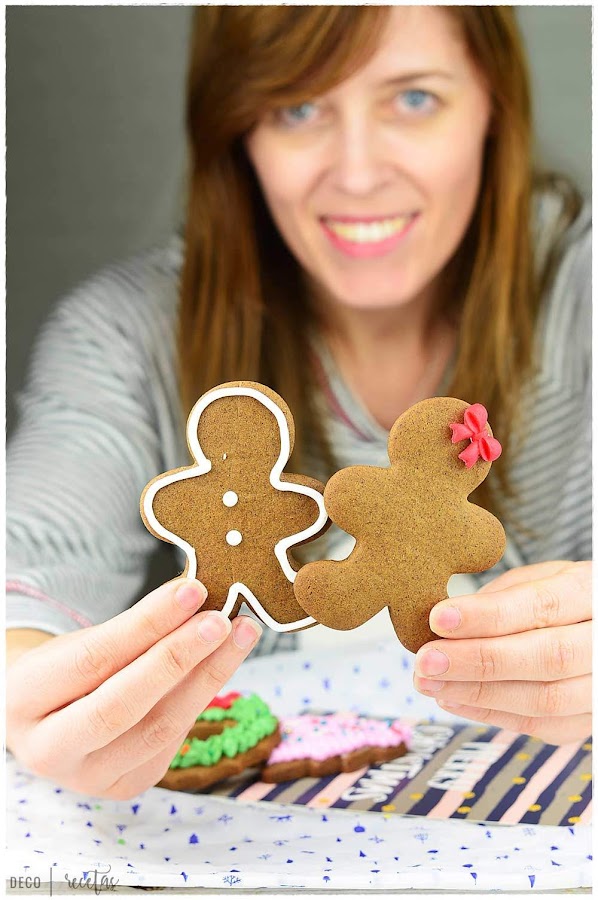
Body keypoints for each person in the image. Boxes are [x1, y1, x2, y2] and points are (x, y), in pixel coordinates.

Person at [6, 7, 591, 801]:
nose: (356, 173)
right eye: (299, 108)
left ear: (494, 104)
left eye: (413, 98)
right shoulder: (125, 333)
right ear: (238, 128)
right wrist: (25, 677)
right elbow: (28, 561)